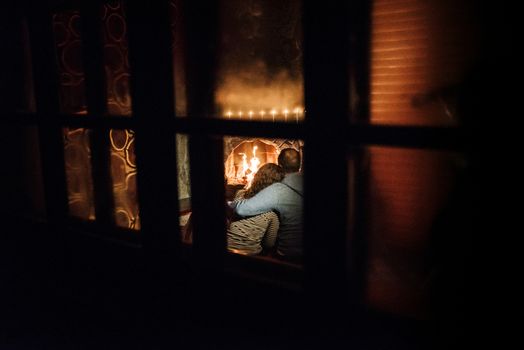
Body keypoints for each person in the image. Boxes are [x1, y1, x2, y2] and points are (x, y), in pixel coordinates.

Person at [229, 148, 303, 260]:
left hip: (287, 254)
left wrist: (229, 203)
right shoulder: (272, 214)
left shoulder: (277, 191)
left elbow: (240, 209)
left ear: (280, 165)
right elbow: (269, 243)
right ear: (299, 164)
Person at [227, 163, 285, 255]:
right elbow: (269, 244)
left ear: (257, 177)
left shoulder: (240, 194)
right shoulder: (271, 215)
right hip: (251, 255)